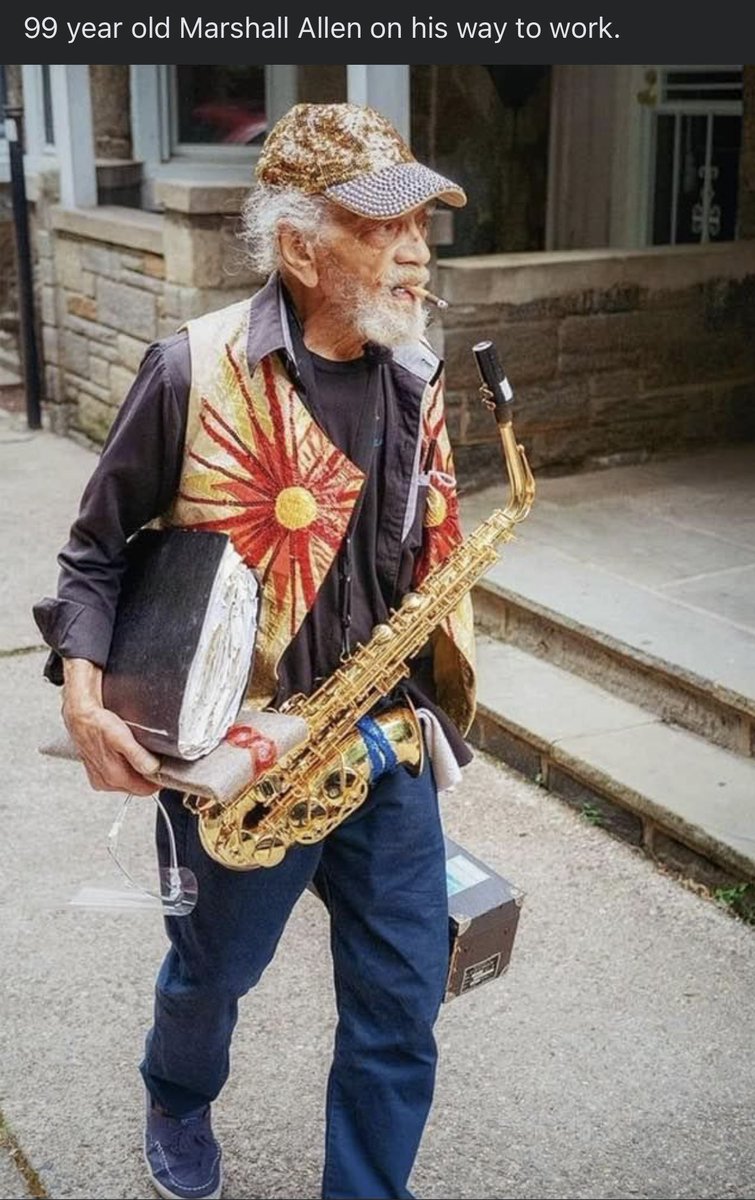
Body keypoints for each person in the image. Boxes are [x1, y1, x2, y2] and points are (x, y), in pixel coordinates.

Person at [33, 102, 478, 1200]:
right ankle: (176, 1096)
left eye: (422, 223)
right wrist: (84, 701)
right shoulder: (190, 369)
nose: (415, 250)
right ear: (297, 244)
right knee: (211, 975)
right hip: (239, 762)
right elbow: (93, 554)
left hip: (382, 748)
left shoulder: (414, 376)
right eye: (383, 228)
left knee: (401, 1004)